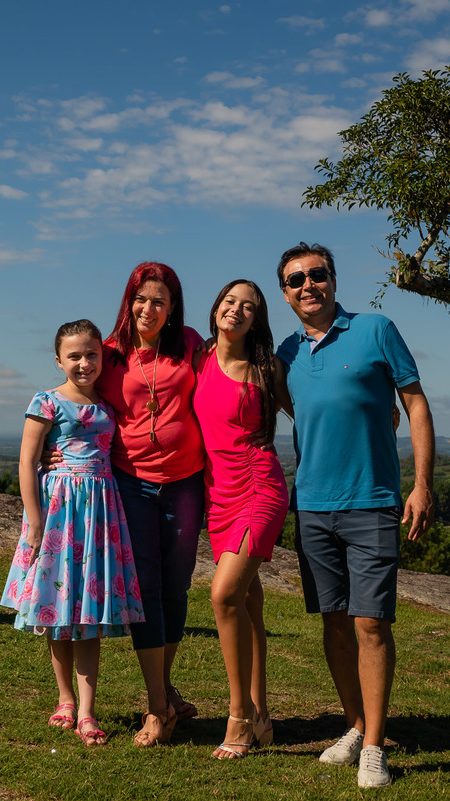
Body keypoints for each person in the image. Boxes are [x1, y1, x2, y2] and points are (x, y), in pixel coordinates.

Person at [274, 243, 435, 788]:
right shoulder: (286, 354)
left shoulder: (376, 329)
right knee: (334, 622)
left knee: (371, 622)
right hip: (313, 506)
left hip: (372, 501)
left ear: (334, 280)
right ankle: (356, 724)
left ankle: (373, 748)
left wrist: (422, 484)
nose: (307, 286)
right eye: (295, 281)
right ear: (286, 293)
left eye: (316, 275)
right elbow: (297, 407)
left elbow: (414, 402)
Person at [0, 319, 145, 747]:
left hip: (99, 513)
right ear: (59, 360)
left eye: (92, 354)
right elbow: (27, 461)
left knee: (88, 615)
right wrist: (35, 521)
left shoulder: (108, 405)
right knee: (57, 610)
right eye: (75, 356)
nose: (84, 363)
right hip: (58, 513)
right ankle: (65, 699)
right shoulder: (45, 401)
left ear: (103, 355)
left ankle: (86, 710)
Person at [95, 262, 206, 747]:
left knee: (176, 588)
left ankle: (162, 688)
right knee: (145, 590)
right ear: (129, 301)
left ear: (172, 307)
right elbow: (77, 399)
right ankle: (159, 707)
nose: (148, 309)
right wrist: (53, 445)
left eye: (159, 301)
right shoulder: (110, 352)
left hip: (185, 483)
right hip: (130, 482)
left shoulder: (190, 344)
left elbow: (231, 380)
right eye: (141, 299)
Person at [193, 279, 289, 759]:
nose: (237, 310)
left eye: (248, 306)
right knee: (249, 603)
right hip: (219, 495)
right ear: (216, 310)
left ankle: (238, 718)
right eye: (230, 302)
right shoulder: (201, 356)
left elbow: (313, 411)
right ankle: (263, 713)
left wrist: (376, 413)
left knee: (224, 594)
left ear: (257, 320)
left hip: (259, 487)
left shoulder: (267, 368)